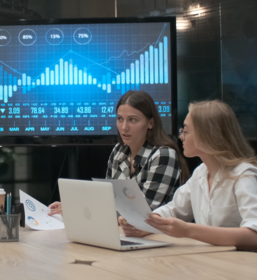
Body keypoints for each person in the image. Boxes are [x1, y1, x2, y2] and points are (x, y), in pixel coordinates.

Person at [119, 100, 257, 251]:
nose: (181, 136)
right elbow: (173, 210)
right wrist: (141, 225)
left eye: (186, 131)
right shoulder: (201, 173)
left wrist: (188, 230)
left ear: (207, 135)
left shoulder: (244, 176)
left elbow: (253, 235)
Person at [49, 90, 189, 216]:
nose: (124, 127)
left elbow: (143, 212)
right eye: (119, 119)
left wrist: (78, 209)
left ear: (150, 123)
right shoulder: (118, 151)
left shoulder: (163, 155)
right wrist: (72, 205)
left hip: (159, 238)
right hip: (123, 231)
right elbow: (107, 200)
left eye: (132, 120)